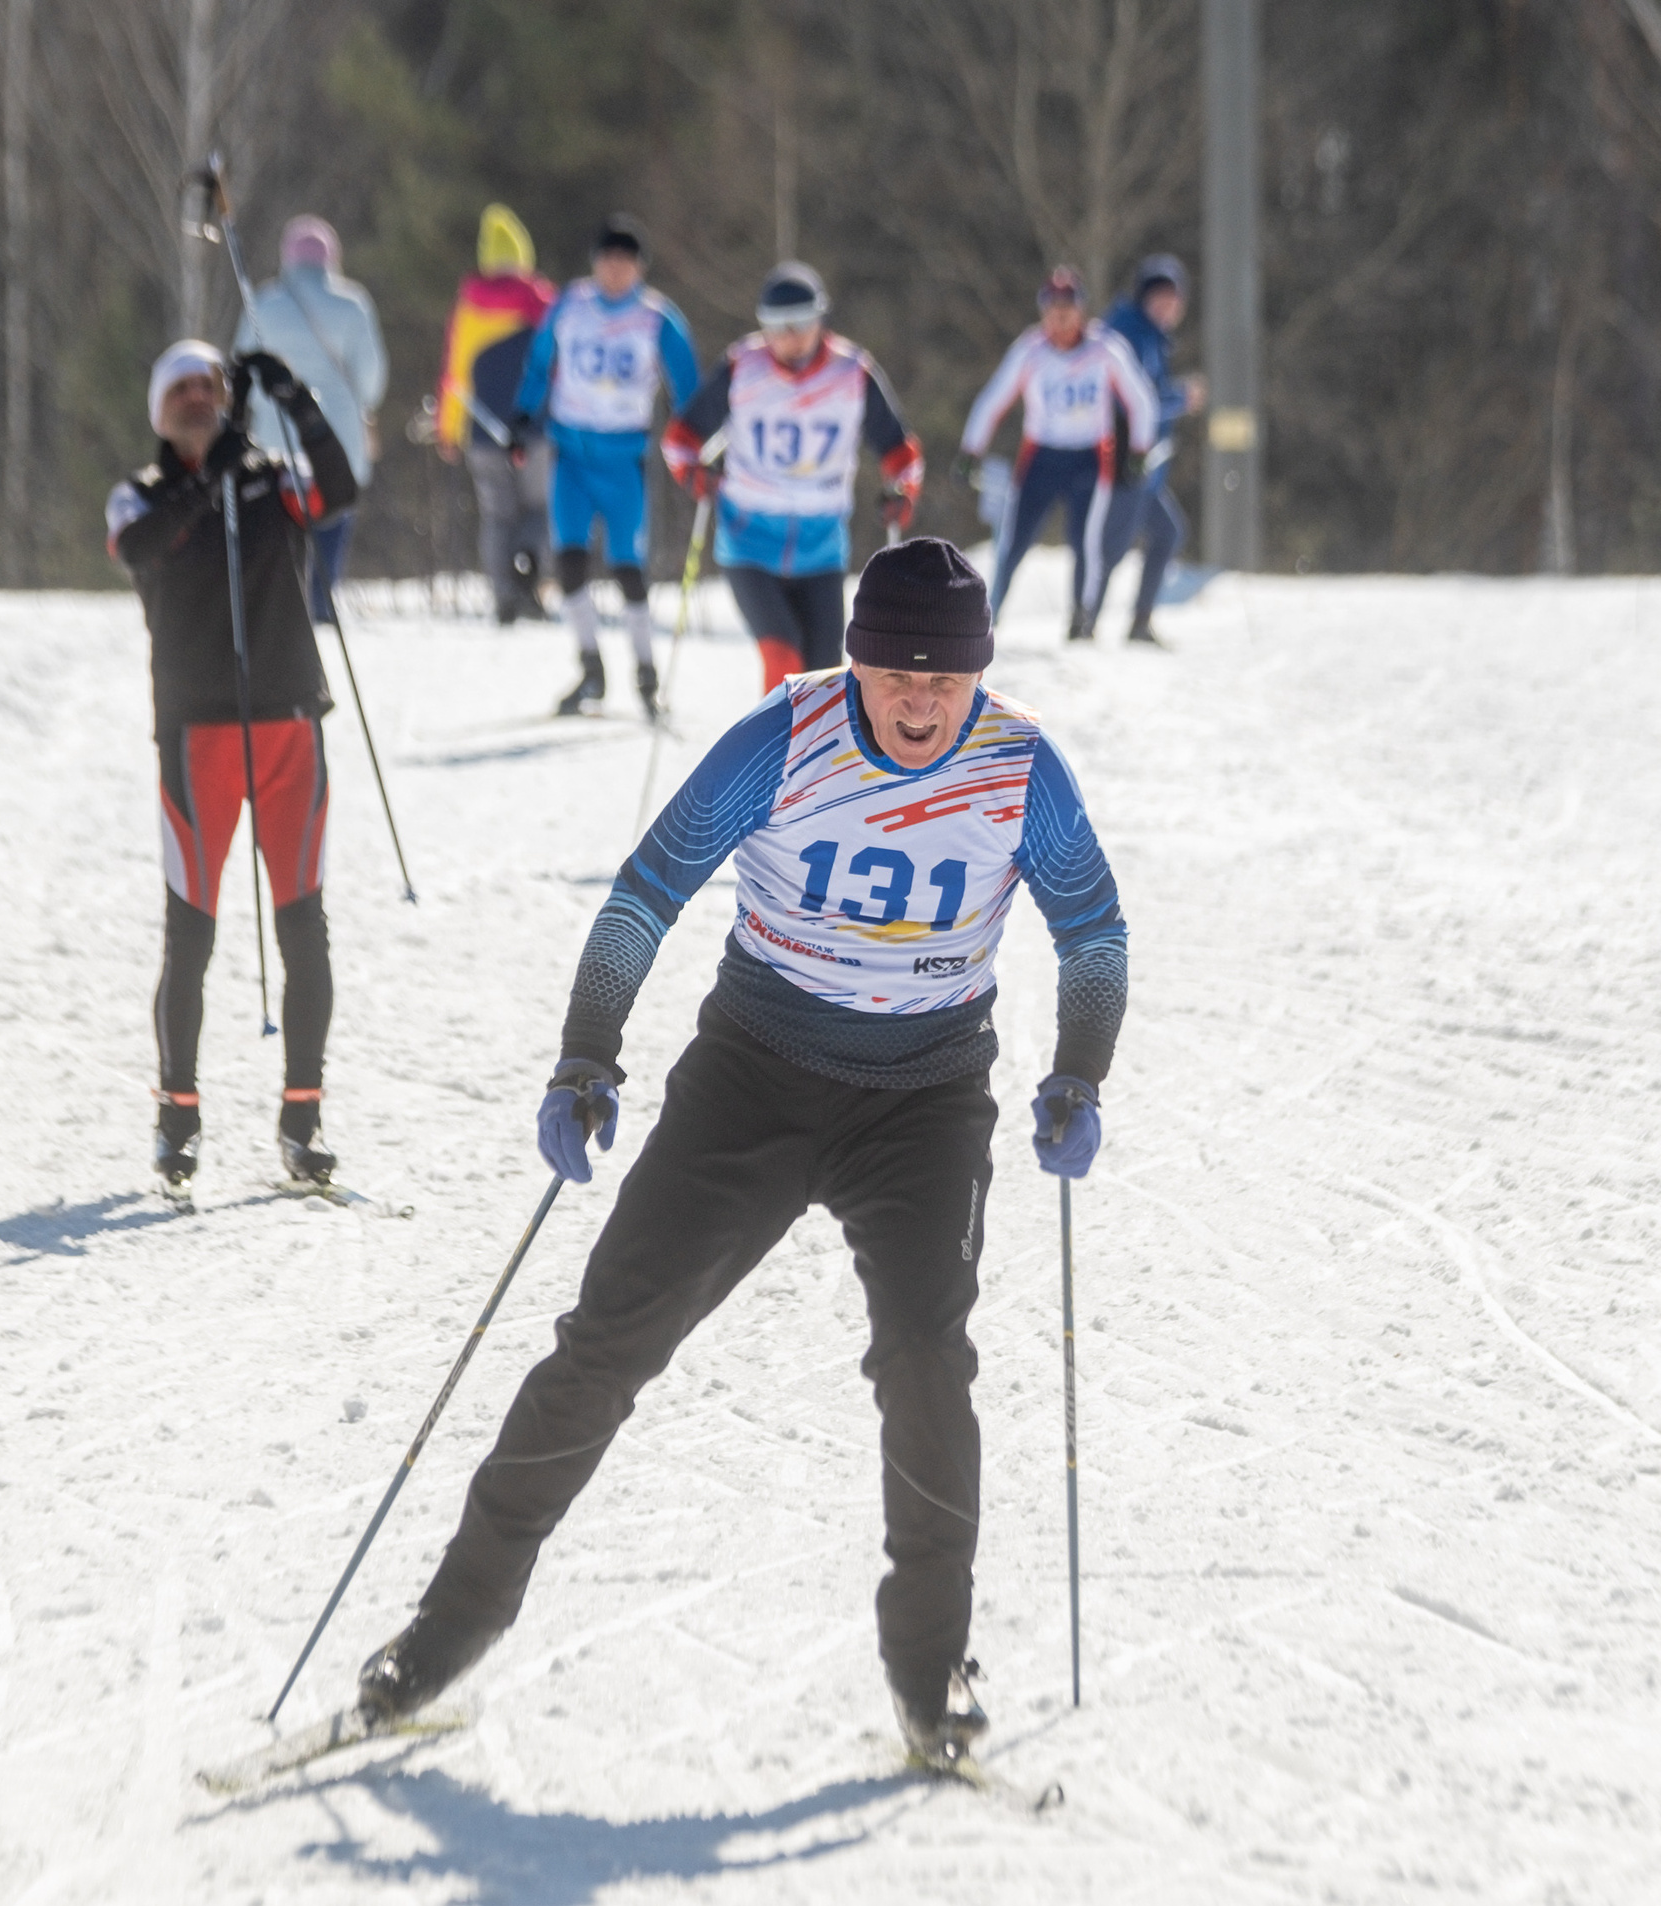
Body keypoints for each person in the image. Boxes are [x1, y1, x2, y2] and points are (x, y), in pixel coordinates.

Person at [353, 537, 1129, 1769]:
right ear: (854, 659)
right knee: (607, 1339)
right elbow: (645, 890)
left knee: (928, 1359)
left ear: (979, 675)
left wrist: (1079, 1071)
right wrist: (584, 1052)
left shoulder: (1020, 766)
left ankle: (932, 1671)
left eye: (947, 679)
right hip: (751, 1079)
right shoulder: (783, 736)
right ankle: (447, 1626)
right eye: (894, 673)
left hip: (925, 1099)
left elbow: (1092, 933)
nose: (921, 701)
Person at [105, 340, 358, 1193]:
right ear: (156, 409)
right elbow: (148, 548)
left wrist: (297, 398)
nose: (196, 400)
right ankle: (177, 1119)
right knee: (192, 934)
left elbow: (340, 490)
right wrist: (222, 461)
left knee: (303, 928)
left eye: (208, 388)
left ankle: (303, 1117)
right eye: (179, 390)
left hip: (289, 720)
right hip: (197, 732)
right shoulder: (139, 495)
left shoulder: (272, 476)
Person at [664, 261, 923, 695]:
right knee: (783, 658)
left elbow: (901, 451)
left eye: (802, 322)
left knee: (825, 679)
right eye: (776, 324)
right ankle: (777, 757)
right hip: (749, 540)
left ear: (820, 318)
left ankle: (818, 763)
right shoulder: (743, 366)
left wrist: (903, 491)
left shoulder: (851, 372)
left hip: (820, 547)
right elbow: (679, 438)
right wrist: (693, 475)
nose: (789, 336)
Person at [510, 214, 703, 719]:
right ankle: (590, 666)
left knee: (627, 569)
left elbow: (688, 384)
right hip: (570, 455)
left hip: (623, 461)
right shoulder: (569, 306)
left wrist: (694, 436)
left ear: (639, 267)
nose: (616, 271)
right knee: (569, 561)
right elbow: (539, 363)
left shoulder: (657, 317)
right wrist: (522, 415)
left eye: (626, 262)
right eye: (607, 260)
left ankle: (645, 671)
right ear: (595, 263)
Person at [958, 267, 1158, 638]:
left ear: (1081, 311)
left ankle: (1081, 619)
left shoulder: (1104, 348)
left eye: (1068, 309)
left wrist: (1140, 449)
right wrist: (971, 450)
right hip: (1042, 457)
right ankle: (989, 615)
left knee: (1085, 540)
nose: (1060, 318)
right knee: (1015, 537)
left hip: (1089, 456)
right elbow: (993, 399)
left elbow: (1141, 399)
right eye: (1053, 309)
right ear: (1043, 312)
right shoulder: (1030, 350)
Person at [234, 216, 387, 623]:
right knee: (332, 514)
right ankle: (320, 602)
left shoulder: (262, 304)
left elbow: (240, 369)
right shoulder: (353, 304)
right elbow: (371, 381)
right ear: (331, 258)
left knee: (278, 525)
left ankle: (282, 606)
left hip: (275, 436)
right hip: (336, 439)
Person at [436, 204, 558, 625]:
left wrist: (448, 428)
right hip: (537, 429)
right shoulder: (545, 303)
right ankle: (530, 575)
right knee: (540, 509)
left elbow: (455, 374)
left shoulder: (469, 306)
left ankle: (504, 594)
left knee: (497, 514)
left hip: (484, 431)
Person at [1088, 254, 1208, 645]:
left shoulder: (1150, 334)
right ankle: (1085, 623)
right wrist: (1182, 397)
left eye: (1175, 299)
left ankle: (1138, 622)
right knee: (1112, 546)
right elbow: (1137, 399)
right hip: (1123, 458)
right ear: (1143, 297)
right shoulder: (1130, 333)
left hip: (1145, 464)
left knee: (1167, 532)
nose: (1169, 306)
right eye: (1160, 297)